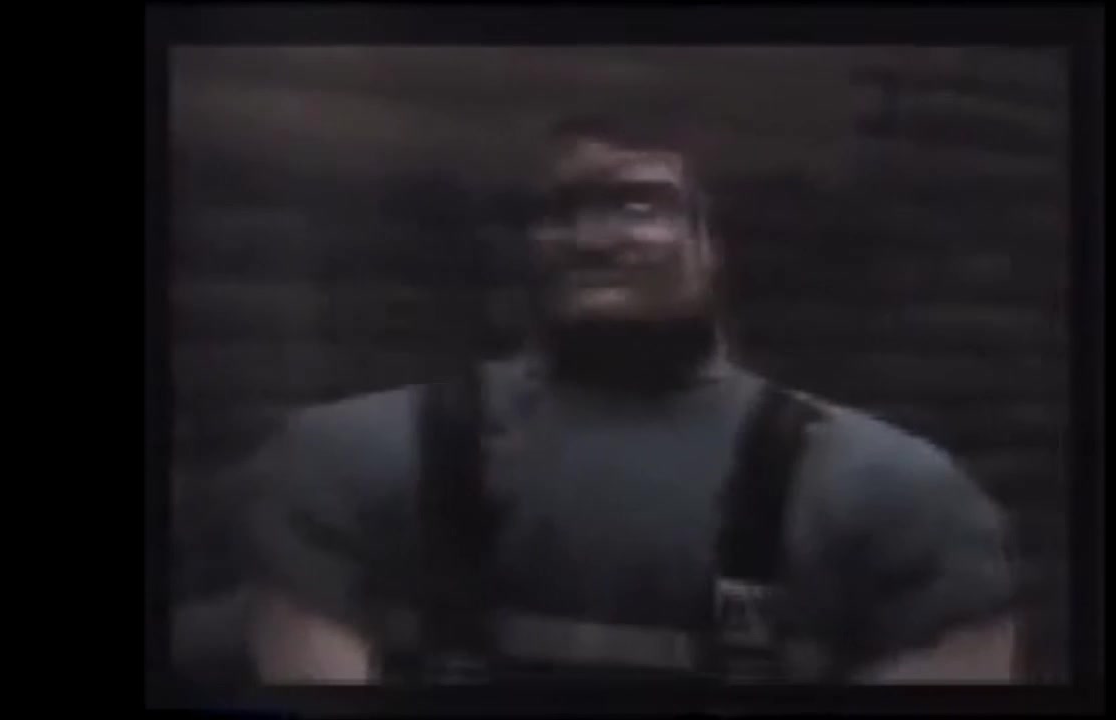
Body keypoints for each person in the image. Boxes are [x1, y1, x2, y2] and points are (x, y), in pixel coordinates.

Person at [241, 114, 1016, 685]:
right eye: (559, 212)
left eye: (636, 205)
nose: (590, 238)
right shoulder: (351, 456)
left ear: (716, 242)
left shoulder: (895, 492)